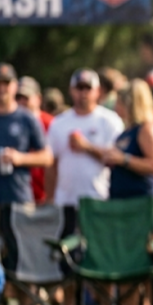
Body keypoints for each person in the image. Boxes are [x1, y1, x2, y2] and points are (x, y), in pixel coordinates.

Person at [104, 79, 153, 305]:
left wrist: (124, 159)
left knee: (151, 257)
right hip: (123, 205)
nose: (116, 106)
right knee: (127, 258)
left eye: (120, 102)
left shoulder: (147, 130)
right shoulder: (125, 131)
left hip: (144, 204)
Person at [0, 63, 53, 241]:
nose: (1, 88)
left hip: (19, 197)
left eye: (6, 83)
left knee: (21, 251)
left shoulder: (26, 118)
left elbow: (47, 157)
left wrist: (20, 158)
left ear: (14, 86)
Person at [45, 69, 124, 221]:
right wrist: (51, 197)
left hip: (98, 198)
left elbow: (117, 159)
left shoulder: (109, 121)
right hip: (66, 201)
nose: (83, 93)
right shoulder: (59, 123)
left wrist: (87, 147)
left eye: (88, 88)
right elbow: (51, 164)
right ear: (71, 90)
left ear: (97, 91)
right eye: (79, 88)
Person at [16, 76, 54, 204]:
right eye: (18, 98)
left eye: (26, 98)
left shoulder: (51, 124)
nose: (21, 102)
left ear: (38, 99)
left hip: (45, 196)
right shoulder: (10, 122)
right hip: (20, 194)